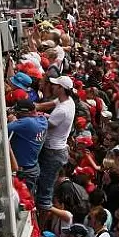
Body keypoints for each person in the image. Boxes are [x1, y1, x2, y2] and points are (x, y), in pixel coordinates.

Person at [37, 76, 75, 212]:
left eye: (55, 85)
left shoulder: (63, 109)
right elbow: (47, 106)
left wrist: (33, 116)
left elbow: (46, 125)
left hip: (53, 153)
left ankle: (40, 228)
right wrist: (33, 108)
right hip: (55, 150)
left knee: (45, 194)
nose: (52, 87)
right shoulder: (67, 101)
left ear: (62, 89)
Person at [7, 99, 48, 196]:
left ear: (27, 113)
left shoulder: (27, 123)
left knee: (23, 200)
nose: (17, 115)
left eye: (19, 113)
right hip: (32, 167)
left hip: (24, 171)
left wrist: (12, 121)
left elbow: (3, 129)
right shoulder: (43, 120)